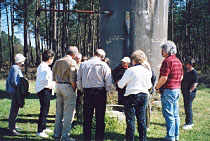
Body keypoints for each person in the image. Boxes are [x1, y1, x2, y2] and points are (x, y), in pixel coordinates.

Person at [77, 49, 112, 141]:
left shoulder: (83, 64)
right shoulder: (104, 65)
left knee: (87, 117)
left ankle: (87, 138)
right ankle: (99, 138)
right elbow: (108, 81)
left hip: (87, 91)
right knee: (100, 117)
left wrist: (82, 89)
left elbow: (79, 79)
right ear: (102, 57)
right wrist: (107, 90)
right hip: (100, 92)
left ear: (93, 54)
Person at [118, 50, 152, 141]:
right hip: (143, 95)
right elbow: (149, 85)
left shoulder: (130, 70)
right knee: (141, 119)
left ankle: (130, 139)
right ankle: (143, 138)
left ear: (134, 60)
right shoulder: (146, 71)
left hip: (131, 96)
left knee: (130, 120)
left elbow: (121, 85)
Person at [155, 41, 183, 141]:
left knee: (169, 114)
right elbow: (181, 76)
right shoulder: (178, 61)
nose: (161, 52)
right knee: (175, 114)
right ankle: (176, 135)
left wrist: (157, 87)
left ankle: (170, 137)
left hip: (168, 90)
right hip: (177, 90)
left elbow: (164, 77)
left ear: (167, 51)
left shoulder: (167, 61)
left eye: (163, 50)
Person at [52, 46, 78, 141]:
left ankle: (56, 134)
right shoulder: (72, 62)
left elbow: (53, 76)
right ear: (74, 54)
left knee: (59, 112)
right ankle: (65, 135)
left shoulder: (58, 61)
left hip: (58, 86)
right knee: (68, 113)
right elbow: (72, 78)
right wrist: (74, 89)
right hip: (68, 86)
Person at [35, 49, 56, 138]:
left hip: (45, 90)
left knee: (46, 109)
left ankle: (43, 127)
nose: (53, 60)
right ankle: (40, 131)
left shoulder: (44, 66)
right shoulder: (43, 67)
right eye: (52, 58)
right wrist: (52, 84)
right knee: (44, 110)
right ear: (50, 58)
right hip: (44, 90)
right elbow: (44, 80)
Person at [6, 53, 26, 135]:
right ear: (20, 61)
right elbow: (14, 81)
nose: (24, 60)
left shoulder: (16, 68)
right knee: (14, 109)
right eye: (23, 59)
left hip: (15, 91)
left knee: (15, 109)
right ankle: (12, 129)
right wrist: (20, 89)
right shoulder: (15, 68)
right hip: (15, 92)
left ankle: (13, 125)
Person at [181, 56, 198, 130]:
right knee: (186, 107)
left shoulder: (194, 72)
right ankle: (187, 122)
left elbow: (195, 83)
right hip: (185, 92)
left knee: (188, 108)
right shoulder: (186, 71)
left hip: (190, 93)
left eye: (187, 63)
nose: (186, 64)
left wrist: (190, 91)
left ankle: (190, 123)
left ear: (191, 64)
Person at [74, 53, 84, 123]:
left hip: (81, 86)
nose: (77, 59)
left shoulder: (83, 65)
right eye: (76, 58)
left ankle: (80, 115)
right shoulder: (72, 65)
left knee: (80, 101)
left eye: (79, 58)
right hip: (73, 85)